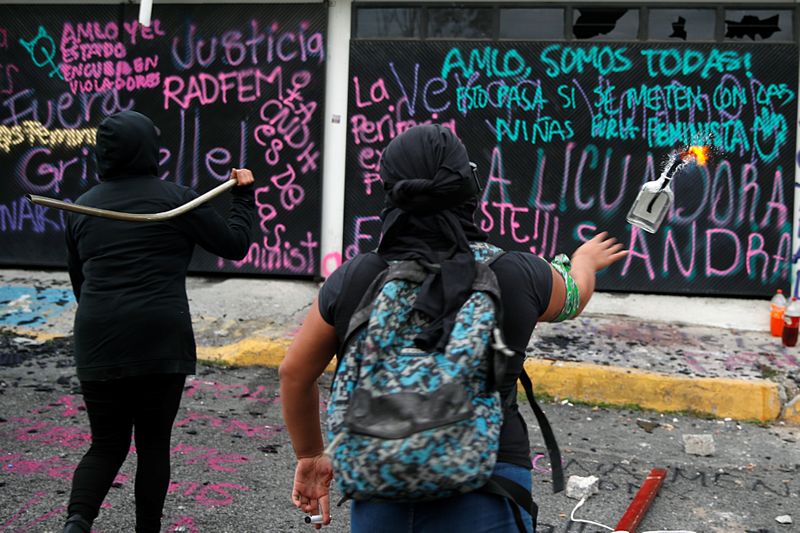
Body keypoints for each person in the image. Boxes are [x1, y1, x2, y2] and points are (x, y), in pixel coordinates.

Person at [279, 124, 627, 532]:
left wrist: (311, 455)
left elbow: (294, 374)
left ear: (391, 193)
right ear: (470, 190)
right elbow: (573, 296)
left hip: (381, 488)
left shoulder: (355, 278)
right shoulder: (514, 273)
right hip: (489, 485)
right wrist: (584, 261)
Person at [61, 110, 256, 533]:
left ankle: (76, 524)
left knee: (106, 443)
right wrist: (243, 197)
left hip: (99, 338)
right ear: (150, 149)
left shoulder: (81, 208)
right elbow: (235, 245)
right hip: (160, 339)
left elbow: (80, 282)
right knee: (152, 444)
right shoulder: (177, 202)